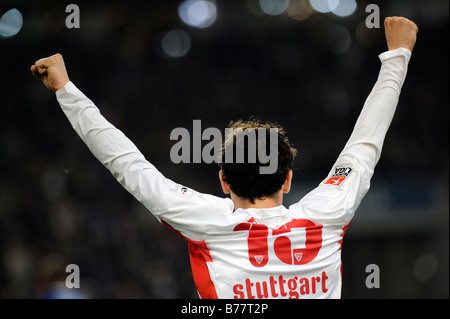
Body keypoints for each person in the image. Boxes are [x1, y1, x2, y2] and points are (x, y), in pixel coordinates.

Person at [31, 16, 418, 299]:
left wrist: (66, 89)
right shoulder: (328, 213)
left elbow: (128, 164)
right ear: (286, 179)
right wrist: (397, 55)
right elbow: (365, 145)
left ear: (224, 181)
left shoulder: (206, 222)